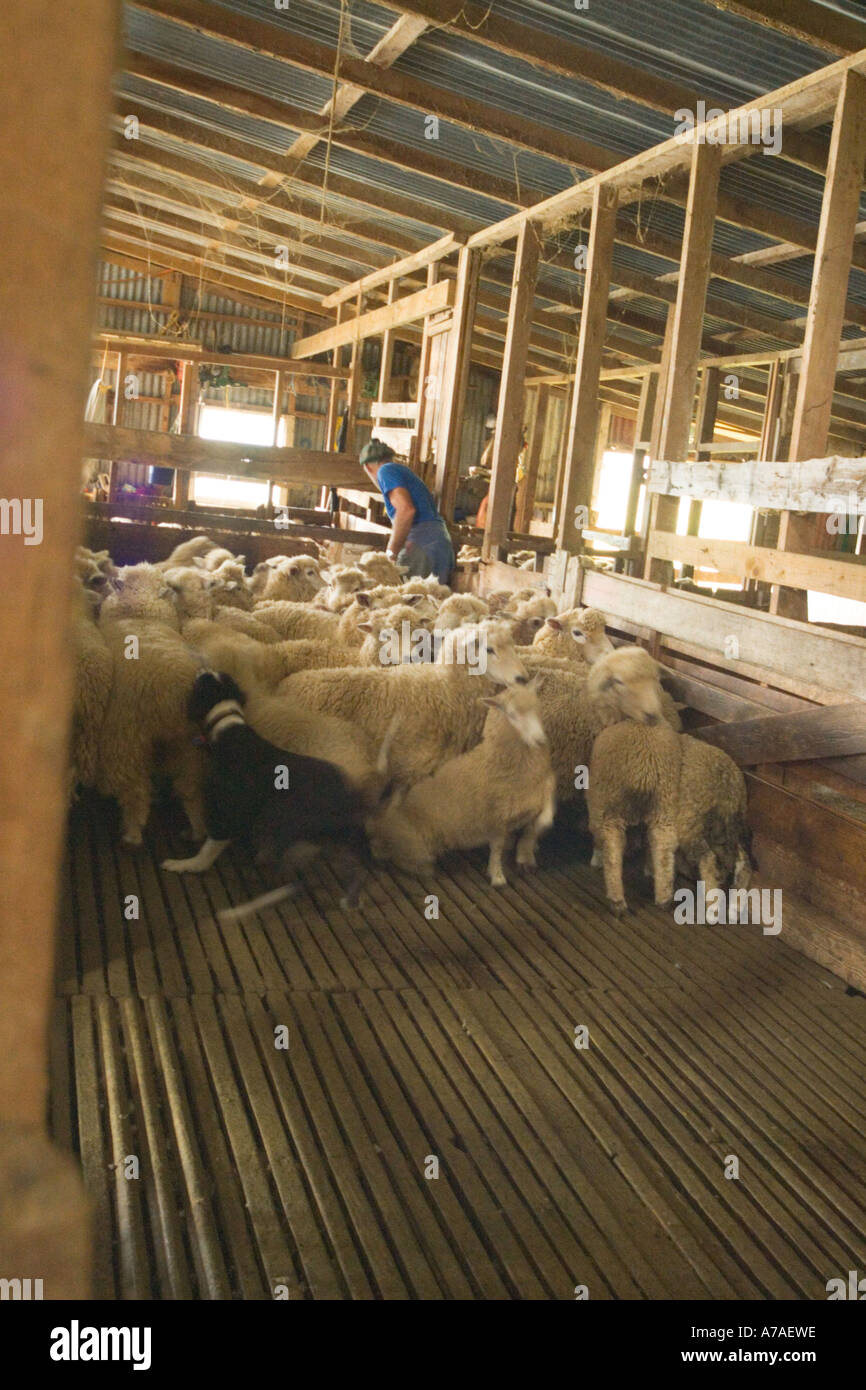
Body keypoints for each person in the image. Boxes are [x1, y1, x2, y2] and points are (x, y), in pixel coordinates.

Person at [359, 439, 455, 584]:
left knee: (407, 600)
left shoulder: (386, 471)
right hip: (439, 544)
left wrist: (391, 553)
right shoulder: (402, 471)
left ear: (367, 467)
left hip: (421, 547)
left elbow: (406, 510)